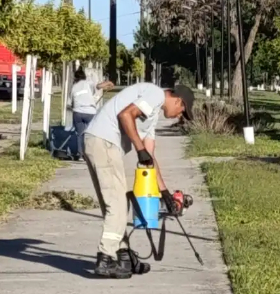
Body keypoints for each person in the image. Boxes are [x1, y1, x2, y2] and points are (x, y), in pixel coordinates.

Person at [82, 82, 194, 279]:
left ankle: (123, 255)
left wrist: (164, 192)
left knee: (113, 205)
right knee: (117, 206)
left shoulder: (151, 115)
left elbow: (149, 156)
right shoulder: (156, 94)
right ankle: (105, 258)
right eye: (182, 111)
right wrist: (139, 149)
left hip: (96, 140)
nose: (179, 116)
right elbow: (125, 115)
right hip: (104, 142)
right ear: (177, 99)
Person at [69, 68, 112, 159]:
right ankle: (92, 153)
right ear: (84, 76)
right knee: (91, 133)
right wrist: (108, 83)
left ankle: (81, 155)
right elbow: (99, 86)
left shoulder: (73, 87)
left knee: (80, 134)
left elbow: (71, 103)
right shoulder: (87, 83)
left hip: (77, 112)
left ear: (75, 78)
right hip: (90, 112)